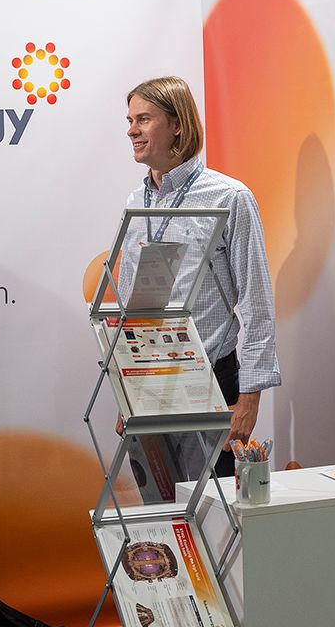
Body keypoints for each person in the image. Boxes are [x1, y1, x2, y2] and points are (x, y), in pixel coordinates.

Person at [118, 77, 280, 497]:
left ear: (177, 125)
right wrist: (126, 391)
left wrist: (249, 399)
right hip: (148, 382)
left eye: (143, 119)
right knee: (162, 515)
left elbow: (257, 302)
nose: (132, 130)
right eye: (130, 120)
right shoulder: (136, 201)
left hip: (210, 381)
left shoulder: (229, 197)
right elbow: (130, 306)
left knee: (215, 514)